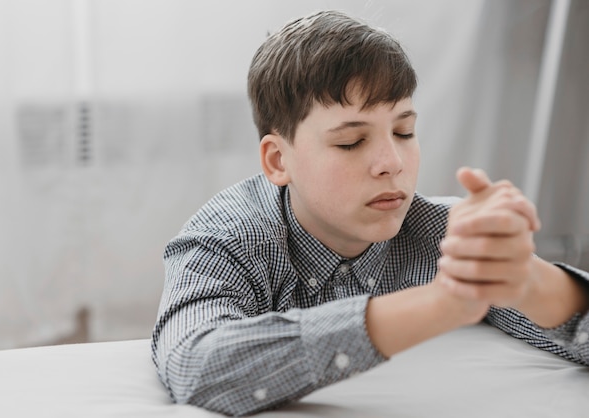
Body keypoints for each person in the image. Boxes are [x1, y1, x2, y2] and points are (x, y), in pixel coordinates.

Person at [151, 10, 589, 416]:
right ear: (278, 161)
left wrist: (524, 278)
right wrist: (439, 304)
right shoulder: (229, 236)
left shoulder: (445, 235)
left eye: (404, 131)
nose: (392, 161)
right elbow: (195, 364)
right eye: (351, 141)